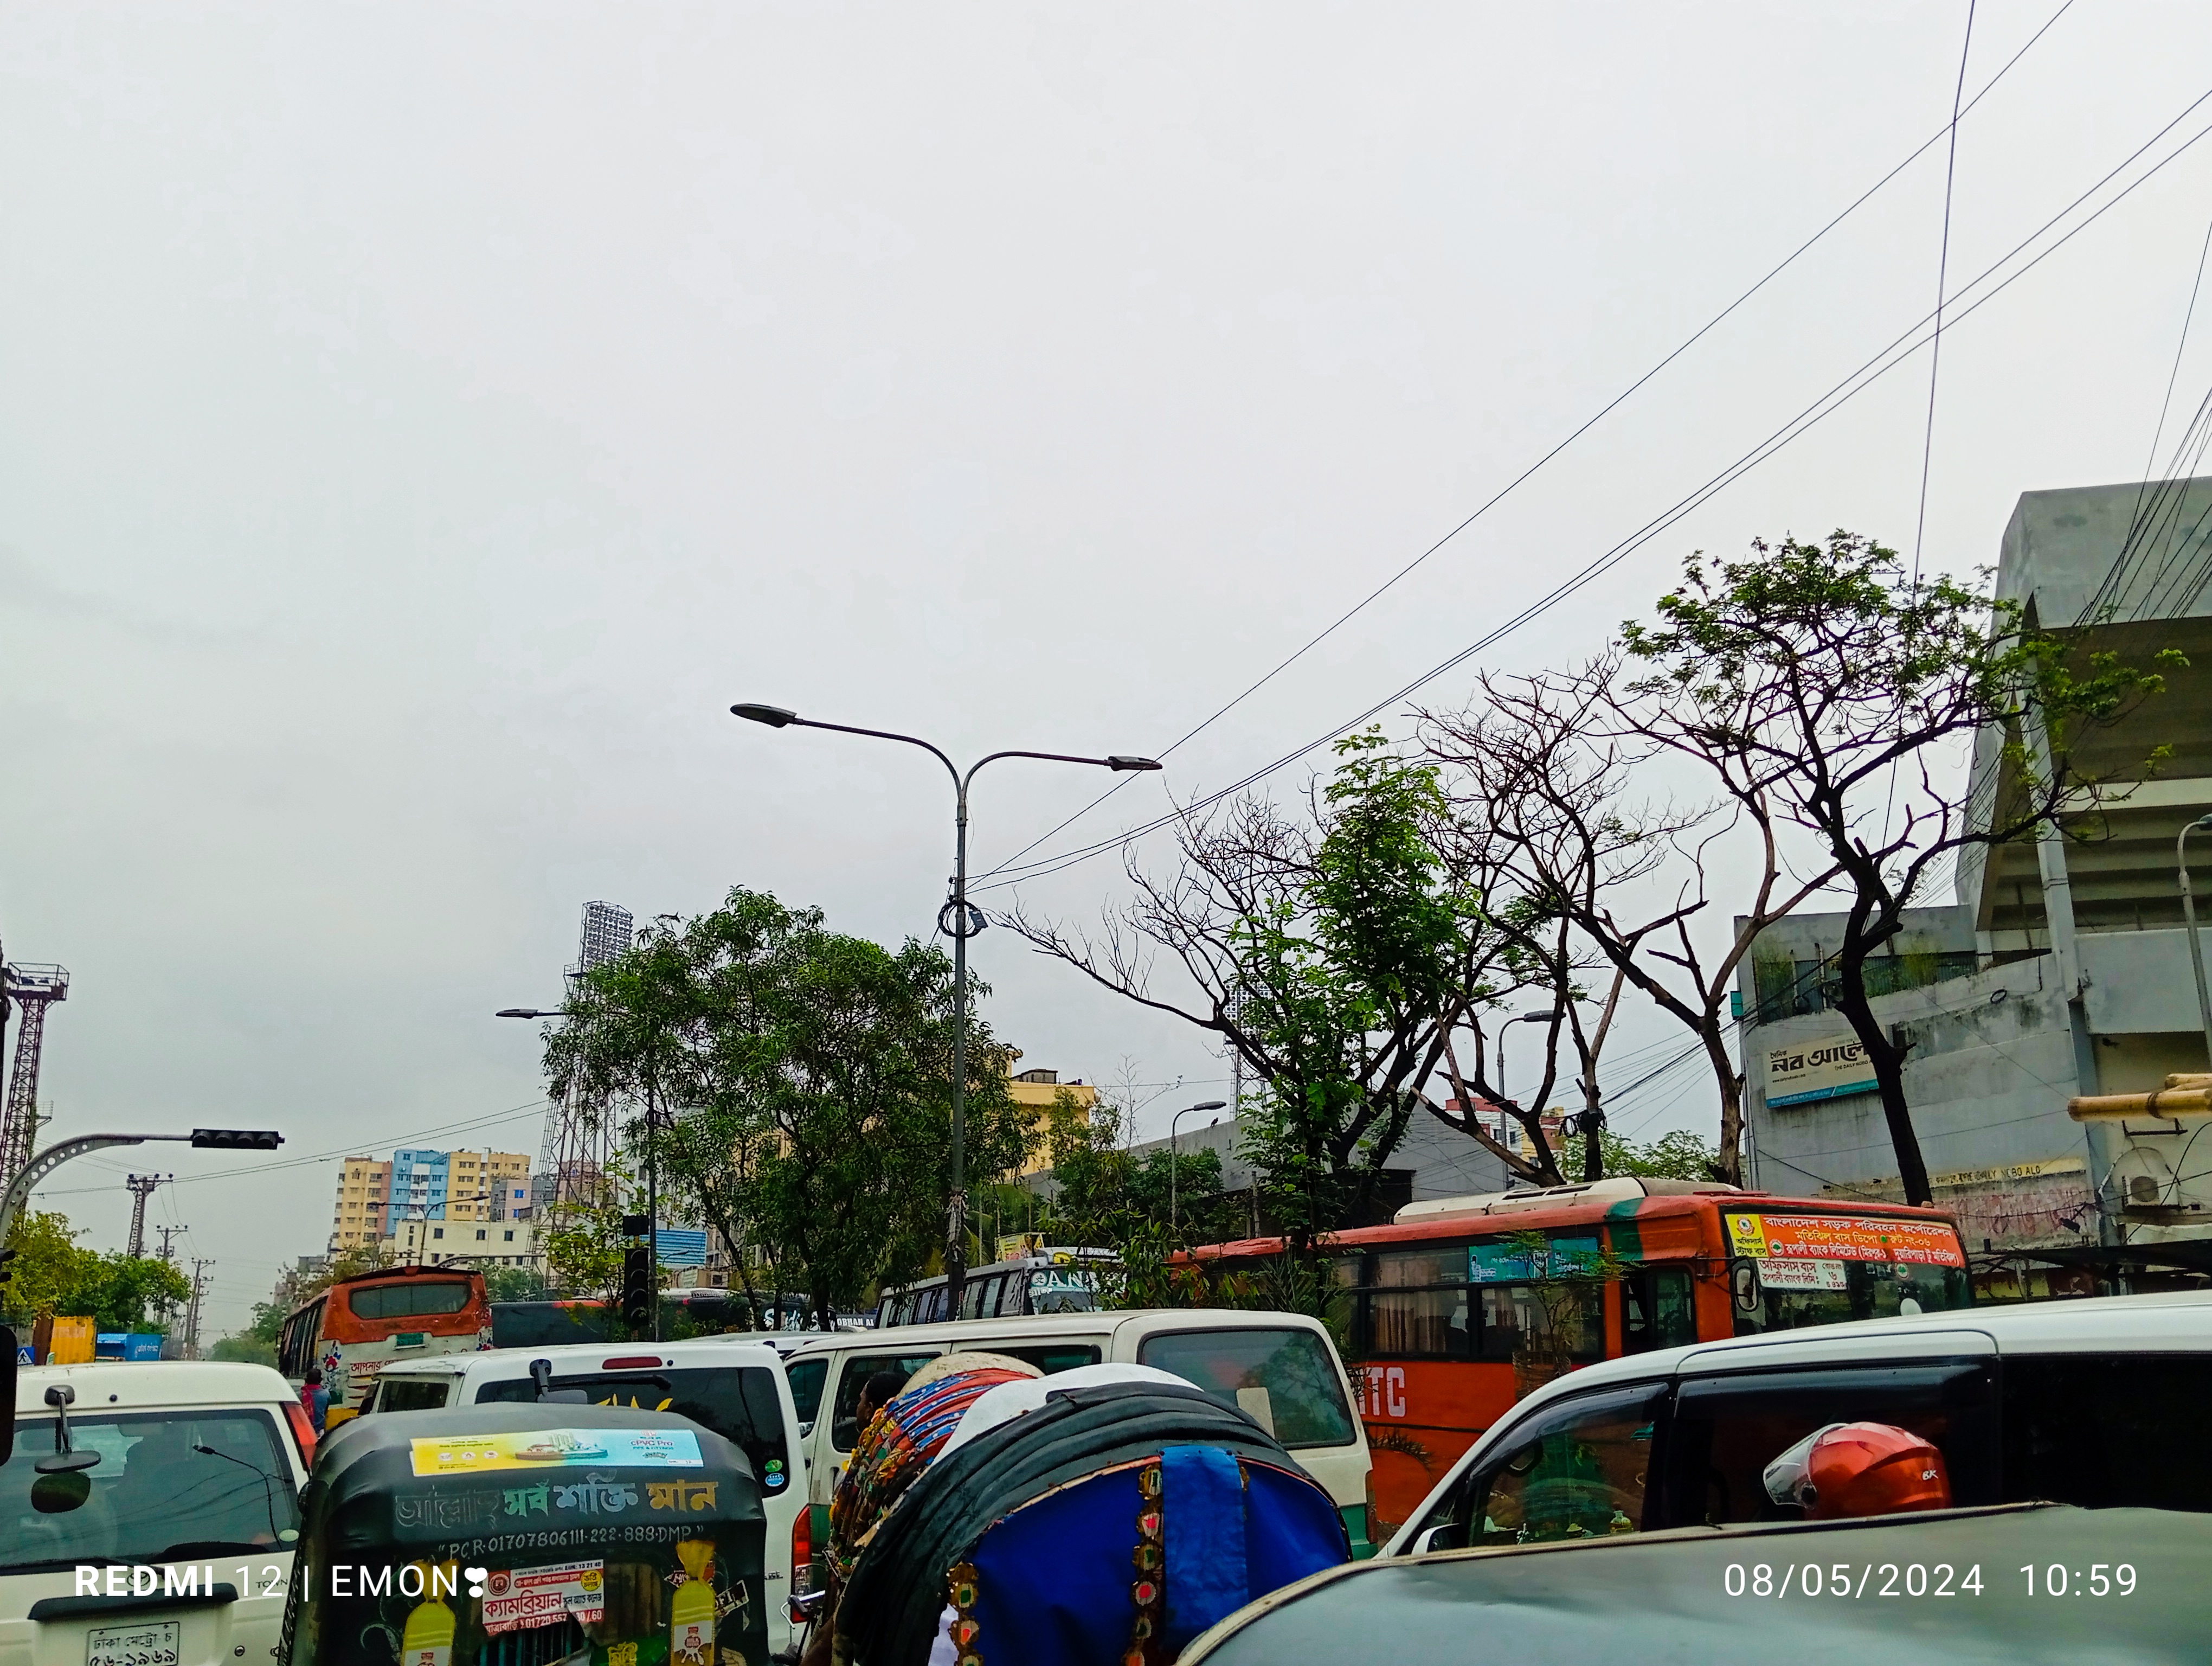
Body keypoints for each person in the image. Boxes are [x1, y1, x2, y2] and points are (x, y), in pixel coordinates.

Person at [300, 1367, 330, 1434]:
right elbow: (325, 1411)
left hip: (303, 1430)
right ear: (320, 1380)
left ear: (306, 1380)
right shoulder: (326, 1394)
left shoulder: (300, 1395)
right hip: (320, 1431)